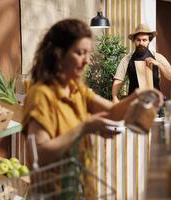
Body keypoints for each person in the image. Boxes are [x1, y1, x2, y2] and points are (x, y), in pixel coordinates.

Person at [22, 19, 163, 170]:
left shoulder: (76, 89)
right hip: (56, 191)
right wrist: (85, 128)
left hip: (80, 186)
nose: (87, 61)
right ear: (58, 54)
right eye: (80, 53)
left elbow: (112, 112)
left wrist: (137, 95)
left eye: (88, 53)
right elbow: (39, 155)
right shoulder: (41, 95)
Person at [112, 23, 171, 103]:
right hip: (134, 104)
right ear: (134, 41)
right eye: (138, 40)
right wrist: (114, 97)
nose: (141, 43)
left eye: (144, 40)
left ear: (149, 41)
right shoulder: (126, 59)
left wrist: (159, 64)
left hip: (155, 103)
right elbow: (118, 80)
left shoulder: (158, 57)